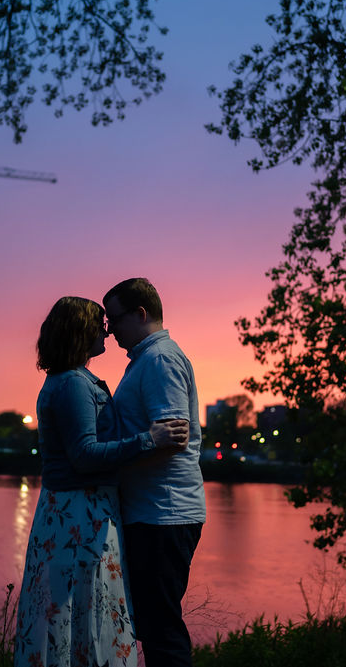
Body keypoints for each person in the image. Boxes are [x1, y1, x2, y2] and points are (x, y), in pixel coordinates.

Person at [14, 296, 189, 667]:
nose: (106, 330)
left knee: (77, 613)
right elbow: (84, 455)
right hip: (79, 514)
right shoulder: (74, 384)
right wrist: (149, 439)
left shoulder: (70, 380)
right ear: (80, 331)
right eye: (99, 324)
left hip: (78, 511)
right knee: (82, 612)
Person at [102, 278, 205, 667]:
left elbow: (172, 436)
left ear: (141, 314)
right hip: (152, 511)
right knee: (152, 623)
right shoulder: (147, 360)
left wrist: (108, 458)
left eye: (115, 320)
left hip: (164, 513)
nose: (110, 331)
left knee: (161, 627)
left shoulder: (160, 360)